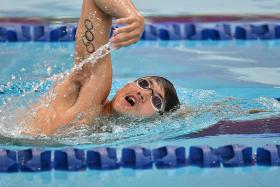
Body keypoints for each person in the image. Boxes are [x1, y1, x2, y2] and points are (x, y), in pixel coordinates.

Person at [25, 0, 180, 135]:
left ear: (157, 121)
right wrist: (132, 16)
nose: (142, 93)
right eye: (144, 84)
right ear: (127, 85)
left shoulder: (104, 131)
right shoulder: (93, 91)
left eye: (156, 101)